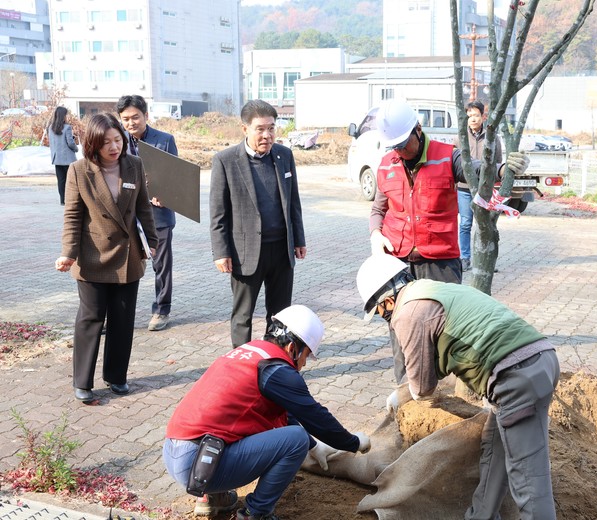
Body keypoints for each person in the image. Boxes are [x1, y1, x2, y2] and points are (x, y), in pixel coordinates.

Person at [356, 254, 560, 520]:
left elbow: (422, 388)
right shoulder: (432, 290)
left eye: (379, 312)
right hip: (537, 360)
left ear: (388, 301)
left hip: (515, 377)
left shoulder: (408, 313)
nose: (384, 317)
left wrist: (402, 394)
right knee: (495, 450)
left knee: (529, 481)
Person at [368, 98, 528, 383]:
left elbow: (478, 170)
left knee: (444, 333)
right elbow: (378, 209)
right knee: (402, 332)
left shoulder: (447, 157)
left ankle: (440, 390)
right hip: (399, 265)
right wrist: (376, 234)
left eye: (404, 144)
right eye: (395, 147)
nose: (400, 151)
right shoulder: (386, 164)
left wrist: (504, 169)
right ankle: (408, 392)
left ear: (418, 130)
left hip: (439, 263)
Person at [163, 304, 371, 520]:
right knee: (296, 440)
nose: (304, 363)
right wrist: (353, 443)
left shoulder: (249, 352)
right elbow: (315, 416)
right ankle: (256, 513)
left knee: (236, 423)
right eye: (306, 355)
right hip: (198, 465)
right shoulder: (277, 370)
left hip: (176, 453)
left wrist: (314, 446)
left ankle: (213, 498)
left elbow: (283, 414)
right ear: (292, 348)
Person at [55, 112, 158, 403]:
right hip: (93, 256)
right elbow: (72, 216)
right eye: (106, 142)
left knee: (123, 320)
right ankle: (82, 380)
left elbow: (143, 207)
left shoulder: (134, 165)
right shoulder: (79, 170)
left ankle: (116, 376)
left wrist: (152, 242)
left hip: (128, 255)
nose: (114, 147)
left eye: (118, 140)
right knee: (91, 318)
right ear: (93, 144)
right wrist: (68, 253)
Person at [210, 100, 306, 347]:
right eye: (260, 129)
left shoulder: (284, 155)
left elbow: (293, 202)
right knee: (243, 315)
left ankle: (276, 356)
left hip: (281, 250)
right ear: (245, 129)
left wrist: (299, 239)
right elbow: (218, 213)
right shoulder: (225, 160)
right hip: (246, 252)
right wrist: (221, 252)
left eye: (271, 128)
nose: (267, 135)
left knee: (281, 313)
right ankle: (241, 360)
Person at [117, 94, 179, 332]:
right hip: (125, 214)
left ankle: (162, 310)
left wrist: (166, 194)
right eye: (125, 119)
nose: (130, 123)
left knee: (161, 265)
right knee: (121, 264)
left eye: (135, 117)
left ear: (146, 115)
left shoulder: (164, 140)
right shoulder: (116, 141)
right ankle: (116, 313)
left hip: (158, 214)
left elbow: (175, 176)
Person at [456, 101, 502, 272]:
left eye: (476, 115)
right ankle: (464, 258)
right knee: (465, 224)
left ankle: (486, 259)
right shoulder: (460, 137)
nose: (473, 119)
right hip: (464, 188)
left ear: (483, 116)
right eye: (469, 116)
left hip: (484, 189)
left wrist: (494, 186)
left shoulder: (493, 138)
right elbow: (454, 163)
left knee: (485, 225)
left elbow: (498, 163)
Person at [47, 106, 79, 205]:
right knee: (71, 180)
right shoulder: (67, 127)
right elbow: (70, 143)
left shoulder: (50, 128)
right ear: (63, 116)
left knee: (61, 180)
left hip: (57, 158)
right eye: (66, 114)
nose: (67, 116)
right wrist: (76, 149)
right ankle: (71, 199)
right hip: (67, 159)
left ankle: (62, 200)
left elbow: (52, 142)